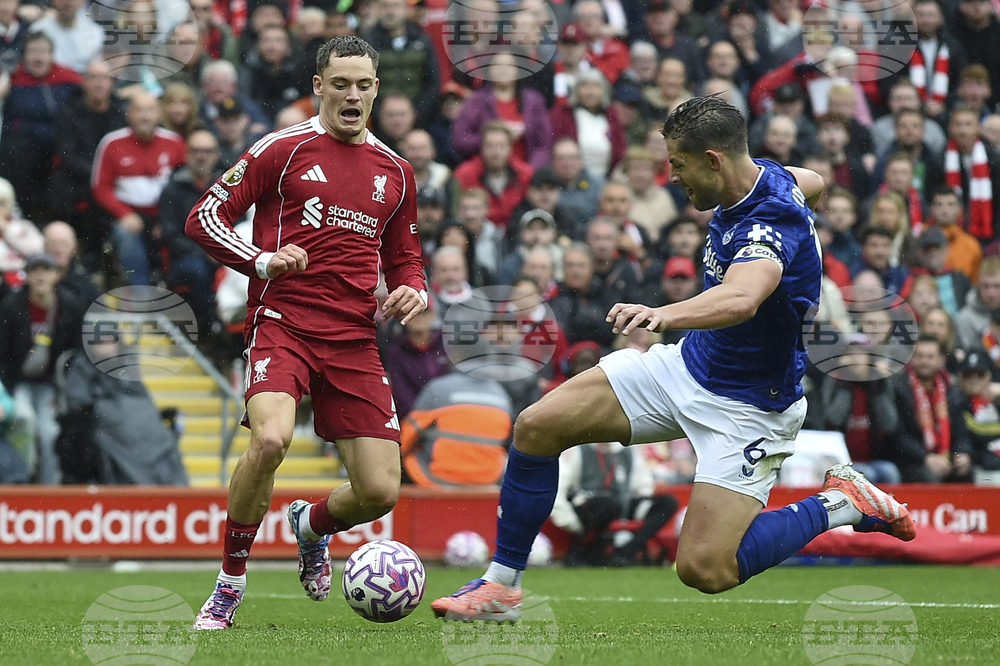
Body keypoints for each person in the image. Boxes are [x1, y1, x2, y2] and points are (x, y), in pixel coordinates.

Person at [432, 96, 915, 621]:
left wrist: (662, 313)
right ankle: (501, 588)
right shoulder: (769, 179)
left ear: (713, 160)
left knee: (706, 569)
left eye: (679, 165)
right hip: (688, 365)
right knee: (537, 426)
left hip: (749, 406)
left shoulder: (767, 223)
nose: (673, 177)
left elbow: (741, 297)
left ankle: (841, 504)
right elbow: (813, 181)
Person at [185, 35, 426, 630]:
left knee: (379, 492)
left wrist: (414, 290)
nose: (352, 95)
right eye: (340, 84)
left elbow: (405, 258)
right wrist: (262, 261)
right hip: (283, 323)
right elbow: (203, 219)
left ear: (376, 89)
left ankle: (310, 525)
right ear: (319, 86)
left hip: (354, 339)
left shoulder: (396, 172)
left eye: (363, 85)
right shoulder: (281, 149)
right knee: (270, 441)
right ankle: (229, 586)